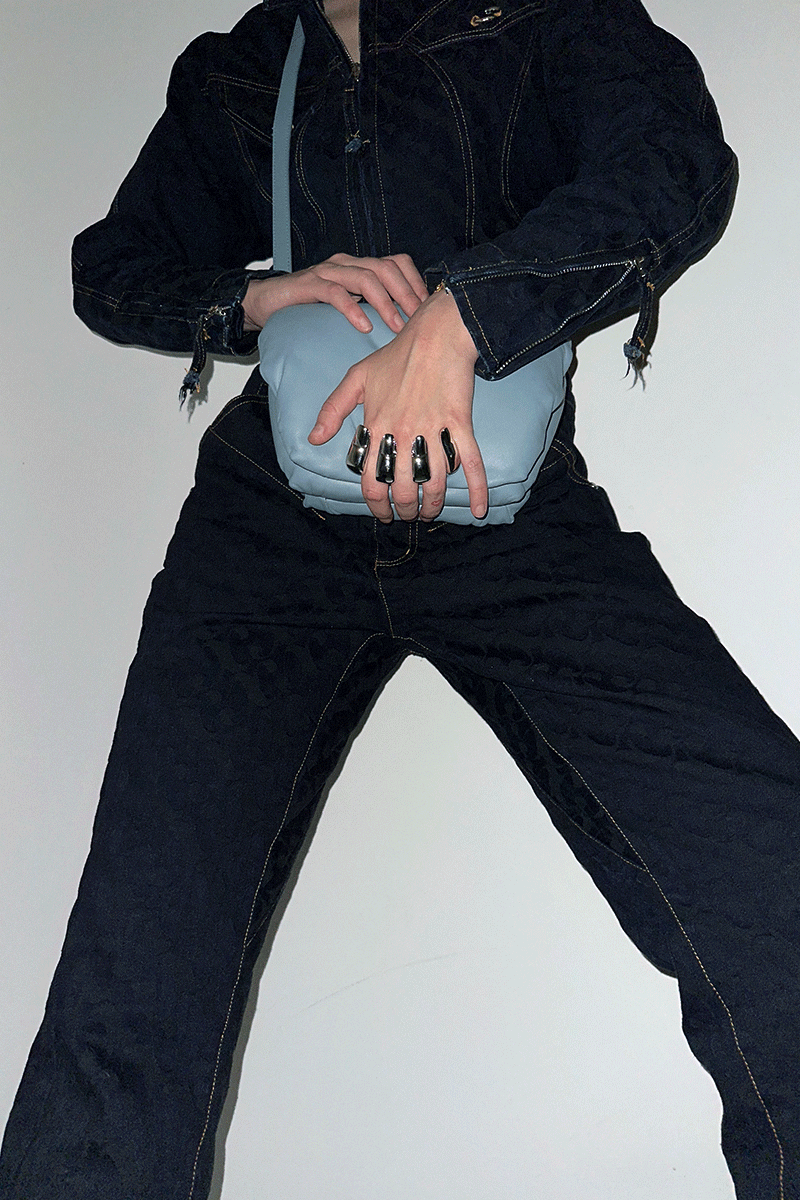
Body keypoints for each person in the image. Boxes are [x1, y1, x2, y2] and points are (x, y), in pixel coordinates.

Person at [1, 0, 799, 1197]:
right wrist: (257, 298)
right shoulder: (246, 63)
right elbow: (110, 266)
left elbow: (672, 161)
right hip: (268, 524)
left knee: (765, 867)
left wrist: (465, 314)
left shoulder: (542, 15)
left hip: (510, 510)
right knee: (140, 962)